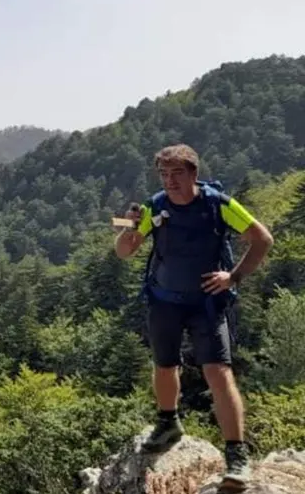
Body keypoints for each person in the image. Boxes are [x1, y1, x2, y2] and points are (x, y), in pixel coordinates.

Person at [114, 144, 273, 489]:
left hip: (207, 303)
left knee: (217, 371)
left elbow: (261, 239)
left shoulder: (219, 204)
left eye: (177, 173)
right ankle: (168, 423)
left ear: (193, 173)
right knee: (165, 365)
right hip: (163, 300)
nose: (170, 181)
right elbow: (124, 252)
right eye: (164, 174)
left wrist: (233, 276)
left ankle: (236, 455)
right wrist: (130, 228)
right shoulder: (154, 206)